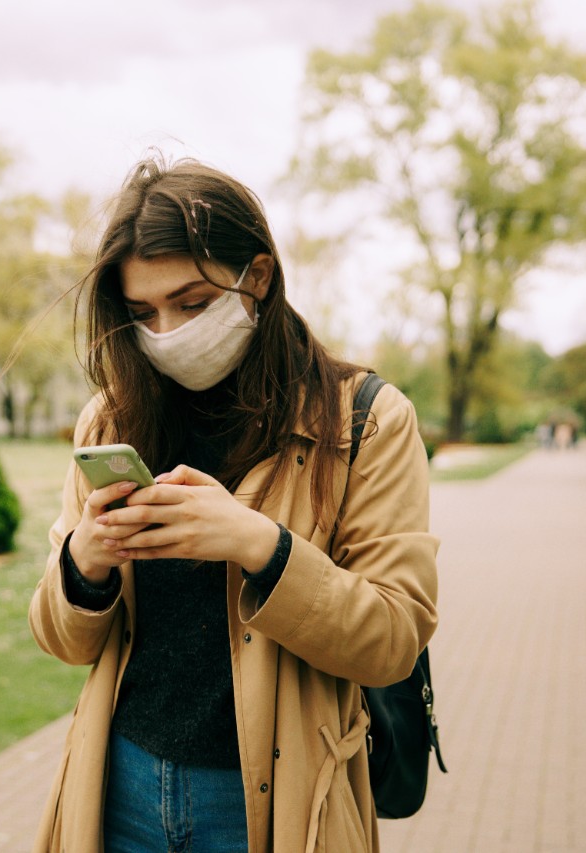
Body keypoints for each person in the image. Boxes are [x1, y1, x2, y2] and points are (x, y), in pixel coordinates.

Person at [28, 156, 439, 853]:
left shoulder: (366, 420)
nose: (166, 332)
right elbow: (65, 641)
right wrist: (83, 561)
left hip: (269, 802)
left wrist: (260, 545)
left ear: (258, 276)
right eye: (142, 313)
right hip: (119, 785)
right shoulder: (110, 419)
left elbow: (394, 638)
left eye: (191, 303)